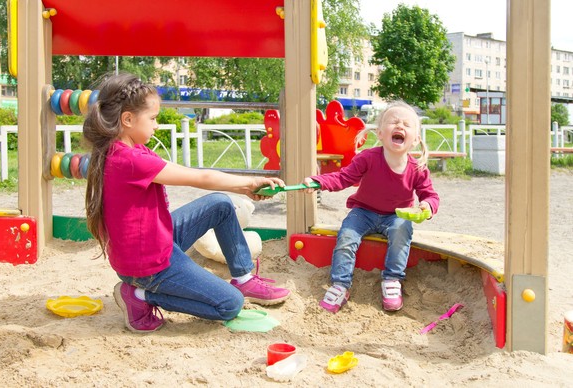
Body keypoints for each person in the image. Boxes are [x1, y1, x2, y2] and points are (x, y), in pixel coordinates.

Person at [83, 73, 290, 333]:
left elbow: (190, 173)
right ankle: (139, 296)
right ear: (127, 119)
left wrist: (245, 185)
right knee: (230, 305)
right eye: (153, 118)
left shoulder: (132, 150)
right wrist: (248, 184)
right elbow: (198, 177)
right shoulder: (128, 160)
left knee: (220, 205)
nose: (156, 125)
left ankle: (243, 277)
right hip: (147, 266)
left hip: (154, 242)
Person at [301, 101, 439, 313]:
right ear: (380, 133)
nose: (400, 126)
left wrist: (427, 206)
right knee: (346, 236)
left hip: (396, 215)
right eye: (393, 122)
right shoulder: (368, 158)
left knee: (403, 230)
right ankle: (340, 284)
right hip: (363, 212)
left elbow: (429, 195)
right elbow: (344, 177)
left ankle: (392, 279)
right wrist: (319, 181)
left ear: (416, 140)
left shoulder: (417, 168)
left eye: (406, 124)